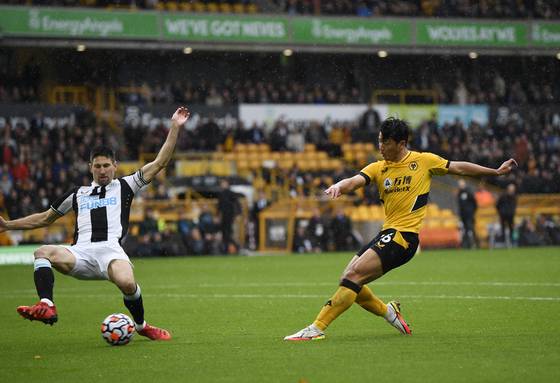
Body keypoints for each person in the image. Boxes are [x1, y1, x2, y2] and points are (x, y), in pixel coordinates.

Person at [284, 117, 517, 341]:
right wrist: (338, 186)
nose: (381, 147)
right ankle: (389, 313)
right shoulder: (379, 168)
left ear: (401, 143)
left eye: (385, 142)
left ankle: (316, 328)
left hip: (404, 238)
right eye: (379, 141)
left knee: (353, 277)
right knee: (348, 278)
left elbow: (459, 168)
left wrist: (494, 172)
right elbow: (355, 180)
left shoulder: (424, 161)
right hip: (388, 234)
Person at [0, 106, 190, 341]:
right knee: (42, 252)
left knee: (127, 282)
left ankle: (141, 326)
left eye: (106, 166)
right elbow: (44, 218)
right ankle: (47, 305)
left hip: (110, 251)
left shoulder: (126, 185)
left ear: (115, 166)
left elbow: (160, 162)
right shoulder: (77, 193)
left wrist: (174, 127)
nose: (102, 171)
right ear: (90, 167)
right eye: (97, 166)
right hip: (80, 253)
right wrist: (8, 225)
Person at [457, 179, 478, 248]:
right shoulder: (459, 193)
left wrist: (472, 211)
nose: (460, 186)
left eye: (461, 184)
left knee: (470, 228)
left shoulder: (469, 192)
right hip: (463, 215)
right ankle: (467, 245)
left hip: (469, 214)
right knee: (465, 229)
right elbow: (460, 205)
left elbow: (474, 203)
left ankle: (475, 243)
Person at [496, 183, 517, 247]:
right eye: (510, 190)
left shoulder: (514, 197)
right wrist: (501, 212)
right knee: (503, 229)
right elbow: (498, 205)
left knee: (511, 229)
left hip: (511, 215)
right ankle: (503, 242)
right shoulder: (503, 196)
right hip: (503, 215)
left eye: (512, 190)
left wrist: (512, 212)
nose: (511, 191)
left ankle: (512, 242)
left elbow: (514, 205)